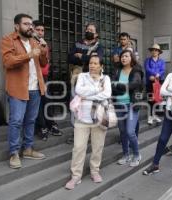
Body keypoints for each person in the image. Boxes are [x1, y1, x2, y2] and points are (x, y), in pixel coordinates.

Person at [0, 13, 48, 169]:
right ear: (17, 26)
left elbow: (42, 63)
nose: (30, 27)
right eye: (26, 24)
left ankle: (28, 148)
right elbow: (8, 62)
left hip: (35, 88)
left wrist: (44, 50)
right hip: (18, 88)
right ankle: (14, 152)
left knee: (30, 121)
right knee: (16, 121)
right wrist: (28, 55)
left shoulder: (34, 41)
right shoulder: (8, 40)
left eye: (31, 24)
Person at [65, 55, 111, 190]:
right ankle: (75, 176)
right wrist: (97, 90)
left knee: (98, 147)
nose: (92, 65)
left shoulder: (106, 78)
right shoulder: (82, 76)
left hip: (99, 118)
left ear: (101, 66)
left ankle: (95, 171)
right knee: (78, 148)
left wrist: (87, 96)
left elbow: (107, 94)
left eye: (96, 63)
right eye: (91, 63)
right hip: (82, 118)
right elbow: (79, 90)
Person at [112, 49, 144, 167]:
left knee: (130, 132)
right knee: (122, 132)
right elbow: (112, 86)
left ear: (131, 58)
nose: (123, 58)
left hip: (132, 104)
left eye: (126, 56)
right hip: (119, 105)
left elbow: (134, 84)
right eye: (122, 56)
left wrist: (118, 86)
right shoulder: (117, 70)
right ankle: (126, 155)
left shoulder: (137, 70)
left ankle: (136, 154)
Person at [33, 20, 62, 141]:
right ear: (33, 29)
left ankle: (51, 124)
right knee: (38, 103)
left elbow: (46, 62)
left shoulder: (44, 43)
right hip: (34, 78)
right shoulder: (31, 43)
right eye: (38, 30)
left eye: (42, 30)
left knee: (47, 100)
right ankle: (42, 127)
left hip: (44, 78)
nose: (40, 32)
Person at [144, 44, 165, 125]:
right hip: (150, 82)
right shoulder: (147, 60)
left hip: (159, 81)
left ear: (159, 52)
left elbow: (163, 70)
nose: (154, 51)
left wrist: (158, 75)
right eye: (153, 50)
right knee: (150, 99)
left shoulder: (162, 61)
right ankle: (150, 116)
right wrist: (155, 74)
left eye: (156, 50)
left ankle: (154, 115)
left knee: (157, 99)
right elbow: (147, 69)